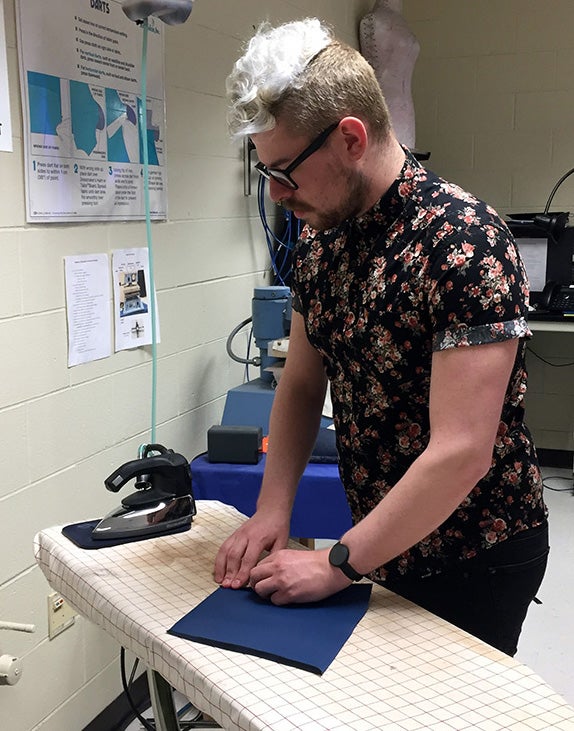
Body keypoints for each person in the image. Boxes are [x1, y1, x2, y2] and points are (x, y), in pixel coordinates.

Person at [214, 18, 549, 657]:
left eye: (285, 172)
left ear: (350, 138)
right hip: (378, 537)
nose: (278, 196)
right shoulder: (321, 240)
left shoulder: (462, 242)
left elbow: (461, 451)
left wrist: (336, 564)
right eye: (267, 176)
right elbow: (303, 381)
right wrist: (272, 510)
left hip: (473, 551)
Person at [359, 0, 419, 149]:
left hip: (406, 113)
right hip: (385, 108)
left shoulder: (400, 21)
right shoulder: (373, 20)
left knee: (408, 165)